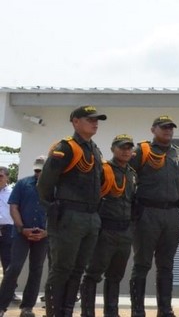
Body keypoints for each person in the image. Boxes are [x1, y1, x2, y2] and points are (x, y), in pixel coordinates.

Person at [38, 105, 106, 317]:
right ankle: (54, 313)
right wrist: (54, 210)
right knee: (61, 269)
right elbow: (45, 184)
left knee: (78, 269)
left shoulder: (94, 149)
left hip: (90, 217)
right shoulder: (66, 147)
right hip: (69, 216)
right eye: (89, 119)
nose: (95, 123)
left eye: (97, 120)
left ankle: (67, 311)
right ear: (75, 122)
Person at [129, 115, 179, 317]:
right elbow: (127, 178)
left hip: (171, 213)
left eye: (171, 128)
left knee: (166, 265)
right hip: (147, 212)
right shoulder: (141, 151)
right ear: (153, 129)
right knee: (142, 263)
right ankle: (138, 309)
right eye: (163, 127)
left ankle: (165, 308)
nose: (168, 131)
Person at [80, 134, 138, 317]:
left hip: (124, 231)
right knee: (93, 274)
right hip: (105, 230)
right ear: (113, 149)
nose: (125, 151)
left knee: (116, 275)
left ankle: (111, 312)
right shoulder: (103, 170)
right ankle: (87, 312)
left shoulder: (132, 173)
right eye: (122, 147)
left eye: (129, 148)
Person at [0, 156, 49, 317]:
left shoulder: (55, 187)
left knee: (36, 269)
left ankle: (27, 307)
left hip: (43, 235)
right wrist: (22, 228)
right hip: (21, 234)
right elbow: (14, 207)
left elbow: (57, 212)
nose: (38, 172)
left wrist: (46, 231)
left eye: (41, 169)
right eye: (36, 169)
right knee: (14, 268)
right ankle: (1, 305)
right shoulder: (23, 184)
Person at [0, 166, 13, 274]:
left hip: (8, 230)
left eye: (1, 176)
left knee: (7, 261)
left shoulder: (13, 193)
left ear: (7, 178)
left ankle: (8, 290)